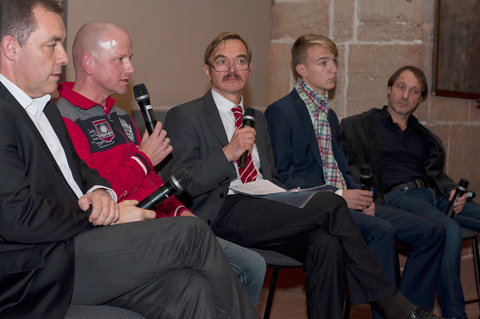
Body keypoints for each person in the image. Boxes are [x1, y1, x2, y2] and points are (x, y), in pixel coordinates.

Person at [0, 1, 260, 318]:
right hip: (40, 267)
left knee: (192, 287)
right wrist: (102, 210)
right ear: (11, 48)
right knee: (191, 234)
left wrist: (101, 193)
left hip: (78, 242)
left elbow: (80, 173)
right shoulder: (22, 111)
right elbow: (17, 216)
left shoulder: (44, 107)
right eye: (52, 45)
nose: (63, 57)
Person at [161, 31, 442, 319]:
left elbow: (270, 177)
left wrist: (295, 196)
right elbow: (176, 184)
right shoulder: (186, 115)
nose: (232, 68)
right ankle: (390, 301)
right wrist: (226, 155)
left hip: (266, 205)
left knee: (327, 244)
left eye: (240, 61)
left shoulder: (257, 117)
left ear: (250, 69)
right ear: (208, 70)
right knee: (331, 203)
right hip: (221, 212)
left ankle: (380, 303)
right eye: (222, 61)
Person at [55, 21, 266, 306]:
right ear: (88, 63)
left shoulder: (120, 116)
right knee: (202, 281)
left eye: (130, 58)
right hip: (123, 232)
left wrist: (179, 210)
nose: (130, 69)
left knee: (252, 264)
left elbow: (152, 182)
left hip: (164, 222)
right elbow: (98, 195)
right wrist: (143, 158)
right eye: (120, 59)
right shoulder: (65, 121)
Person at [264, 34, 445, 316]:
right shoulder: (281, 112)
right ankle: (391, 310)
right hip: (320, 208)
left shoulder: (329, 114)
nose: (333, 68)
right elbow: (283, 178)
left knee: (433, 232)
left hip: (348, 201)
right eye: (323, 62)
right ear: (302, 69)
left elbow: (341, 168)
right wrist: (337, 196)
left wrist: (364, 197)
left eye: (334, 61)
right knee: (383, 232)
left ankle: (409, 309)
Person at [339, 65, 480, 319]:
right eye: (401, 87)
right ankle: (453, 315)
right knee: (449, 230)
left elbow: (437, 175)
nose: (405, 95)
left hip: (432, 197)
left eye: (414, 91)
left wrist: (451, 192)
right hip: (398, 198)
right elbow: (342, 167)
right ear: (389, 89)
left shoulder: (425, 136)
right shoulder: (360, 126)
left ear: (420, 98)